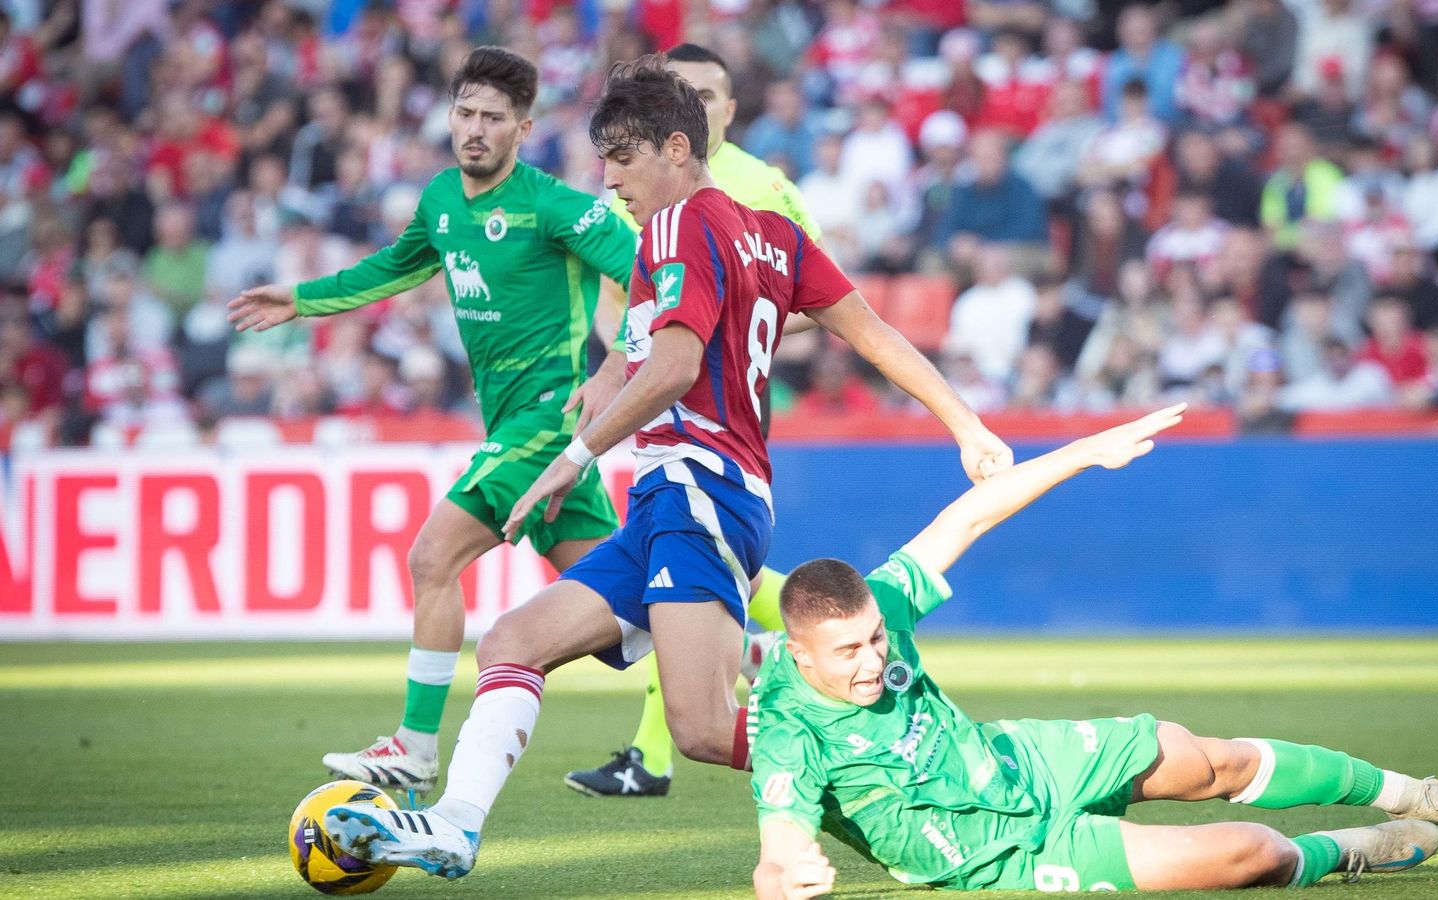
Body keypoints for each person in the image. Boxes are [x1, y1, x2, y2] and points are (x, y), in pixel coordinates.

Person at [322, 55, 1011, 878]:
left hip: (701, 491)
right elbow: (857, 334)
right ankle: (456, 825)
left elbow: (677, 365)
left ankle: (907, 759)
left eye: (622, 157)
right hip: (676, 500)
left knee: (701, 729)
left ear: (676, 148)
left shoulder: (680, 227)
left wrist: (574, 456)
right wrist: (964, 423)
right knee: (511, 640)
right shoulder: (770, 235)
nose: (609, 179)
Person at [748, 404, 1438, 898]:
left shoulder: (879, 606)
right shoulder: (785, 726)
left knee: (1207, 759)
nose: (873, 659)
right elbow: (780, 833)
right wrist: (789, 869)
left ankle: (1419, 794)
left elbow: (968, 518)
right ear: (801, 655)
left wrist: (1082, 452)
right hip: (994, 851)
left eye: (876, 638)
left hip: (1019, 761)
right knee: (1251, 853)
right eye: (848, 651)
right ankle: (1348, 851)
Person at [225, 47, 640, 795]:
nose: (476, 129)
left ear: (524, 128)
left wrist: (616, 367)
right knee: (631, 606)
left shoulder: (554, 205)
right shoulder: (444, 200)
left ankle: (415, 747)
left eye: (494, 117)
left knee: (431, 559)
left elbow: (650, 272)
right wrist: (302, 297)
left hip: (546, 423)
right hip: (511, 426)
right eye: (466, 113)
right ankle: (761, 664)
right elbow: (391, 268)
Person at [567, 43, 825, 798]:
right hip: (661, 418)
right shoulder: (645, 179)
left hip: (717, 426)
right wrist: (619, 360)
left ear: (730, 110)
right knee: (682, 589)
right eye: (689, 92)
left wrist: (726, 326)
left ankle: (826, 643)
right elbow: (639, 295)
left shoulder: (760, 187)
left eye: (713, 94)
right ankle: (787, 652)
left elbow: (812, 298)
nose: (702, 105)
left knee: (684, 588)